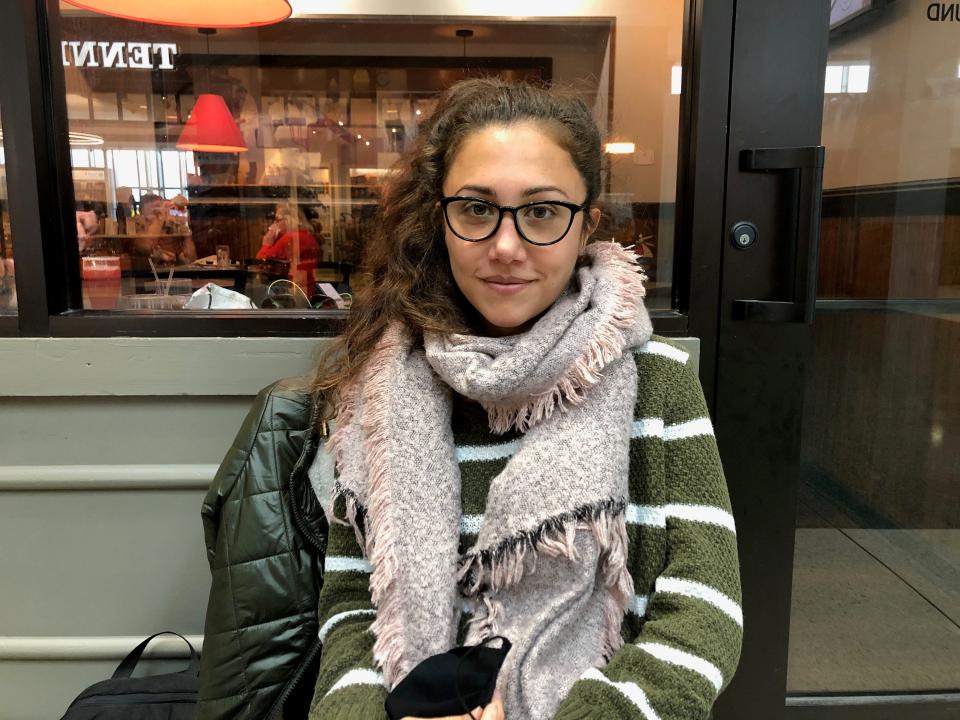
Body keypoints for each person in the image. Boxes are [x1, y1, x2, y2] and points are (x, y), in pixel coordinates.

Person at [303, 78, 742, 720]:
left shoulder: (658, 382)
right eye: (477, 209)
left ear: (586, 223)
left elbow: (705, 608)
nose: (506, 247)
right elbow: (351, 607)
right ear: (441, 217)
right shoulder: (378, 384)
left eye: (541, 211)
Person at [257, 202, 320, 289]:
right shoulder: (308, 236)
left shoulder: (290, 238)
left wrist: (266, 243)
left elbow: (262, 262)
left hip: (294, 289)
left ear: (288, 220)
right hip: (308, 287)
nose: (273, 225)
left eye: (278, 220)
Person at [131, 193, 196, 264]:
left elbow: (191, 259)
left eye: (161, 208)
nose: (160, 212)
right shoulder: (137, 224)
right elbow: (146, 247)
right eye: (155, 210)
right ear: (141, 211)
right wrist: (160, 218)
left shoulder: (172, 225)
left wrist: (185, 232)